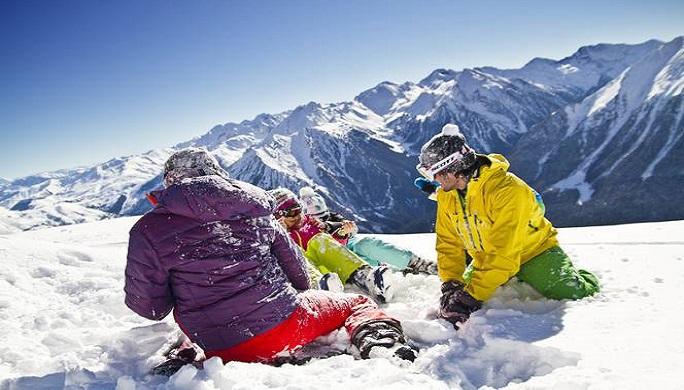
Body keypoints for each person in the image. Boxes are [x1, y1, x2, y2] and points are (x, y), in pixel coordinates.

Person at [124, 148, 416, 374]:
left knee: (193, 323)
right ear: (218, 175)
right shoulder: (255, 213)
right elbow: (301, 278)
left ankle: (185, 357)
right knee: (357, 303)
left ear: (169, 184)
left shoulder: (147, 231)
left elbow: (150, 308)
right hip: (285, 327)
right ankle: (381, 345)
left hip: (215, 344)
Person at [417, 124, 600, 329]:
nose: (434, 180)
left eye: (436, 173)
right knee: (462, 297)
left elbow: (505, 252)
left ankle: (579, 276)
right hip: (488, 258)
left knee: (570, 292)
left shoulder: (508, 190)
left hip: (534, 252)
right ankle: (508, 278)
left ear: (453, 168)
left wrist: (472, 295)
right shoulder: (447, 196)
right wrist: (451, 283)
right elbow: (448, 243)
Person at [268, 187, 396, 303]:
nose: (298, 216)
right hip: (308, 279)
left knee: (320, 239)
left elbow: (331, 249)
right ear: (277, 216)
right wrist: (280, 235)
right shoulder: (272, 236)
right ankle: (320, 287)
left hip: (333, 273)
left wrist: (341, 234)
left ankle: (366, 277)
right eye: (291, 213)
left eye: (299, 210)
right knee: (293, 250)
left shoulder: (310, 224)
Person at [298, 186, 437, 275]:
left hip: (349, 246)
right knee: (358, 260)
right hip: (332, 259)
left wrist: (346, 230)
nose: (321, 220)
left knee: (366, 244)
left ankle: (414, 263)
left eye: (324, 216)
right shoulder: (302, 228)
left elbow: (348, 227)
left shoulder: (332, 217)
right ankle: (381, 273)